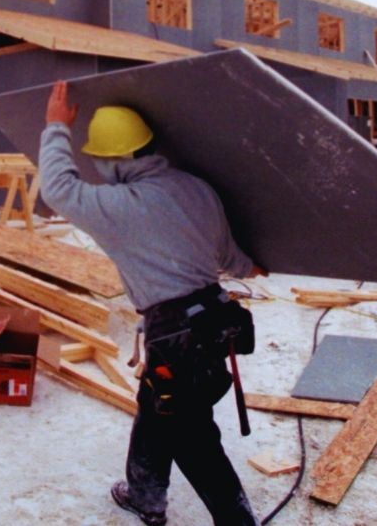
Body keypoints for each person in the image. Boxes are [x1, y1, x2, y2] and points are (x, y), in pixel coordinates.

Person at [38, 80, 263, 526]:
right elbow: (225, 255)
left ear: (116, 160)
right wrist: (249, 266)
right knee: (157, 405)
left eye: (100, 158)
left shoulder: (119, 205)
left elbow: (59, 190)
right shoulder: (196, 188)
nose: (97, 166)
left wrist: (55, 129)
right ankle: (145, 494)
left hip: (177, 336)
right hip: (213, 321)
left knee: (191, 434)